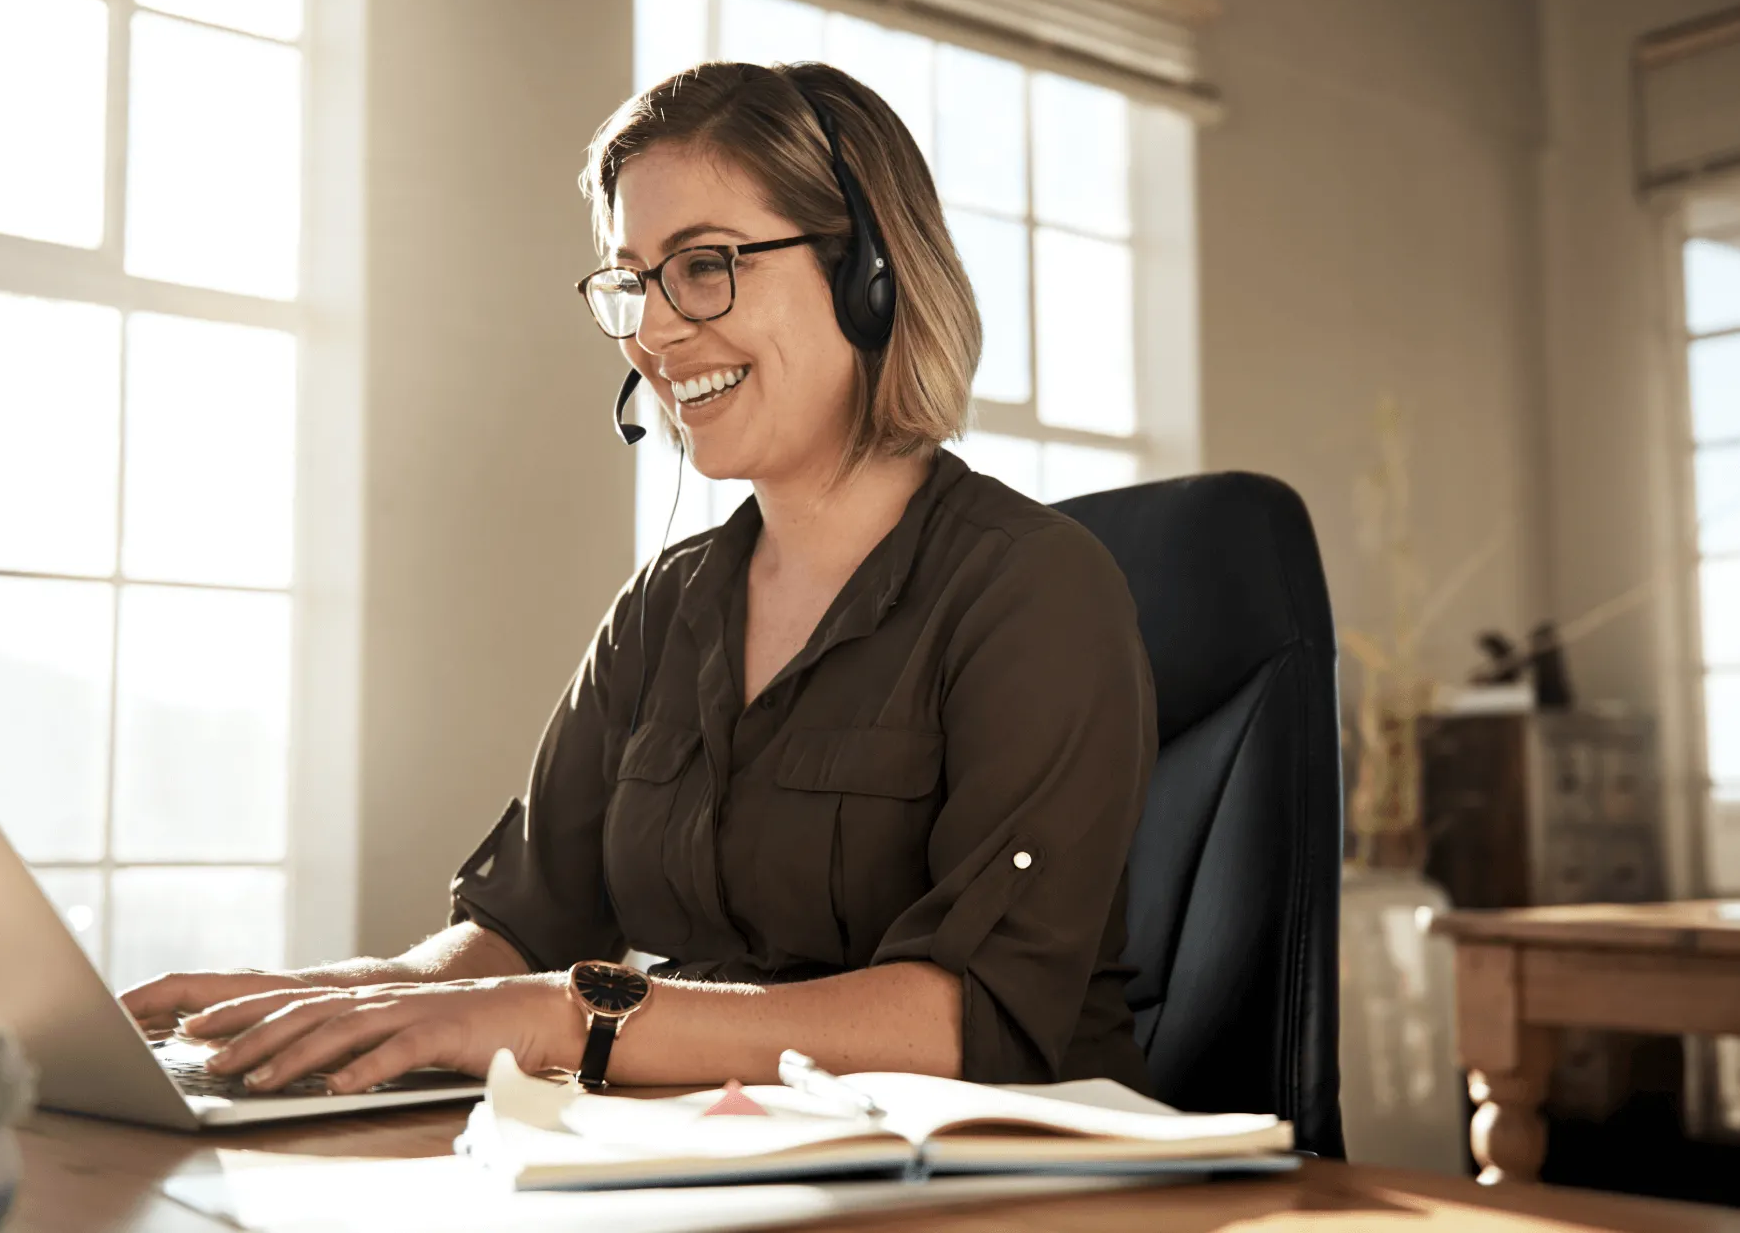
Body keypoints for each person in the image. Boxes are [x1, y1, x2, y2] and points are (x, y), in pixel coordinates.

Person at [120, 61, 1157, 1098]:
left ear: (869, 276)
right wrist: (318, 1002)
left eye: (704, 265)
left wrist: (567, 1016)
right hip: (717, 1151)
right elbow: (520, 929)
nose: (655, 332)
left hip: (1001, 1167)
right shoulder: (666, 607)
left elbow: (976, 1014)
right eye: (635, 282)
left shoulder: (1034, 591)